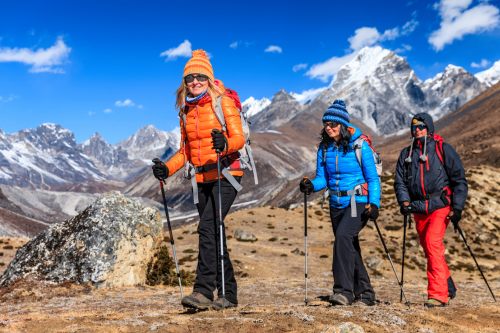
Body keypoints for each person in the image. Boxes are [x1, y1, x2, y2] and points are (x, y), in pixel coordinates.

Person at [152, 49, 245, 310]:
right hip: (202, 176)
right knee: (214, 232)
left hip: (227, 173)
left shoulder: (223, 102)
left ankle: (203, 292)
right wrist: (166, 169)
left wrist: (224, 143)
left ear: (208, 78)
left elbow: (239, 138)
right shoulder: (186, 111)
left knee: (207, 228)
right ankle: (229, 295)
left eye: (199, 77)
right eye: (189, 78)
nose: (194, 81)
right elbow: (186, 152)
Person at [299, 100, 381, 306]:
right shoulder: (324, 148)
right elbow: (322, 178)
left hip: (357, 201)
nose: (329, 128)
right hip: (335, 202)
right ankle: (365, 294)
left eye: (333, 124)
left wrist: (374, 203)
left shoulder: (360, 145)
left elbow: (372, 179)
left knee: (343, 238)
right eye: (326, 124)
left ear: (343, 125)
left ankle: (343, 291)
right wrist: (311, 185)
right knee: (349, 246)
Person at [394, 113, 468, 308]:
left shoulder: (443, 149)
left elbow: (459, 179)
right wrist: (404, 202)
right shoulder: (406, 154)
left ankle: (437, 294)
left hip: (439, 205)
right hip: (418, 208)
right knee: (429, 249)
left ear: (429, 128)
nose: (417, 130)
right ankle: (448, 285)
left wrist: (457, 207)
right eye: (414, 127)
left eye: (421, 126)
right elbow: (400, 181)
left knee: (432, 243)